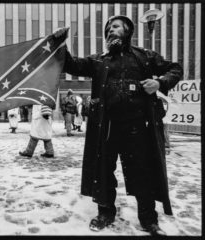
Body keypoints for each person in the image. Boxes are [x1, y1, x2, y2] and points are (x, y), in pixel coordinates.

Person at [54, 15, 183, 235]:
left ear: (127, 31)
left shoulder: (144, 57)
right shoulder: (99, 60)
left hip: (138, 127)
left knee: (143, 172)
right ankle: (105, 212)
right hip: (106, 127)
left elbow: (175, 68)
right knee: (103, 171)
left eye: (115, 27)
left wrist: (159, 82)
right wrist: (60, 44)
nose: (110, 31)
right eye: (107, 29)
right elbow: (71, 64)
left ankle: (148, 219)